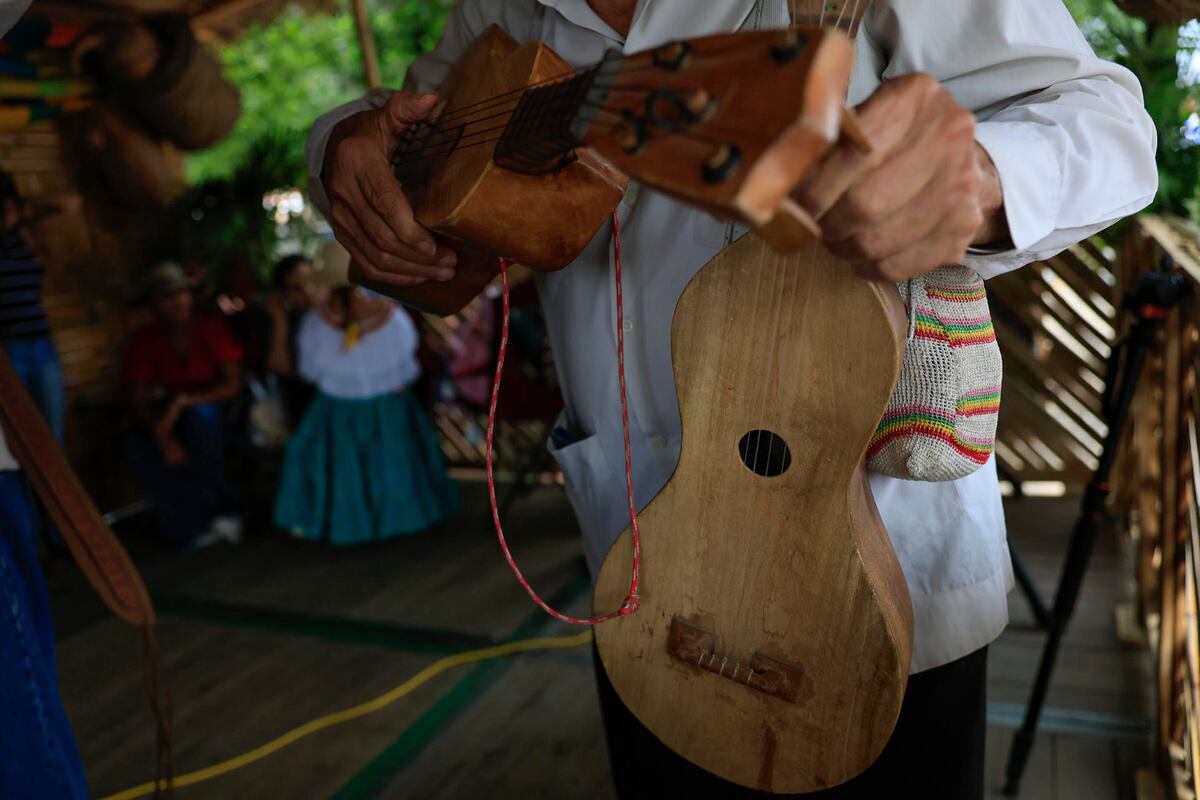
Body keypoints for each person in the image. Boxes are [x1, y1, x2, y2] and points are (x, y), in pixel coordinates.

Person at [307, 1, 1158, 797]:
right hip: (637, 579)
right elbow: (407, 124)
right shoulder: (500, 11)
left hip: (879, 579)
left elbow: (1110, 127)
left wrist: (978, 175)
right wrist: (341, 149)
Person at [274, 242, 458, 545]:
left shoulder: (315, 325)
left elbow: (310, 372)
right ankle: (395, 522)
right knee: (392, 465)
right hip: (386, 410)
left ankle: (354, 526)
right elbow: (406, 366)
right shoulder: (392, 318)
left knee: (345, 472)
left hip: (338, 414)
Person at [123, 261, 244, 551]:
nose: (176, 301)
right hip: (167, 417)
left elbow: (232, 384)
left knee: (201, 422)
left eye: (180, 293)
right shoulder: (145, 339)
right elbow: (137, 398)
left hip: (218, 410)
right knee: (138, 446)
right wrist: (164, 438)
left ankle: (223, 508)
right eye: (166, 295)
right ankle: (186, 527)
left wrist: (184, 402)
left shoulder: (209, 328)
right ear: (154, 303)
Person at [265, 253, 325, 428]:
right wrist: (279, 320)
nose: (308, 291)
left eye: (311, 281)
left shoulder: (341, 311)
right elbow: (279, 367)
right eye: (297, 288)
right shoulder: (291, 322)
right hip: (306, 411)